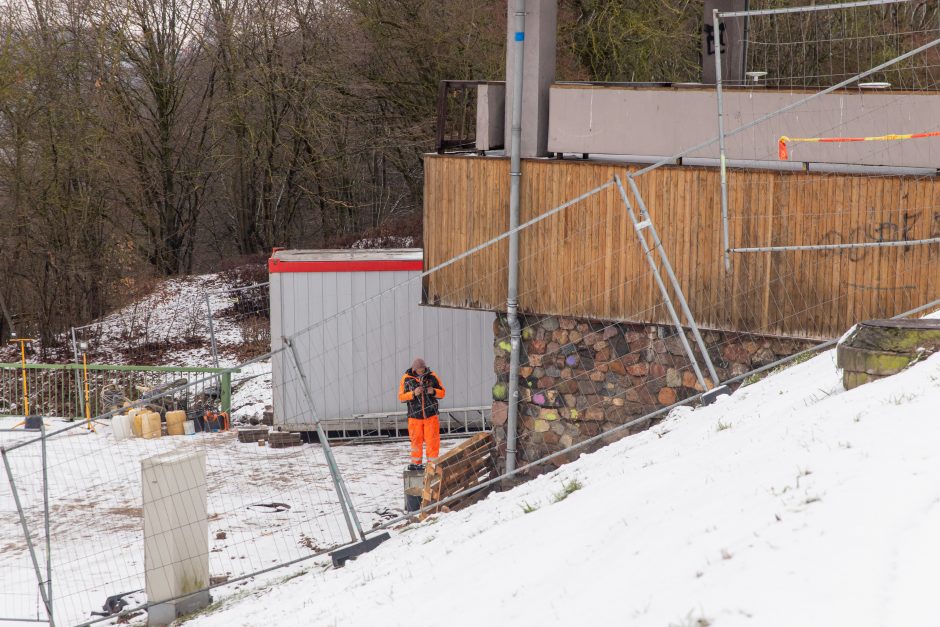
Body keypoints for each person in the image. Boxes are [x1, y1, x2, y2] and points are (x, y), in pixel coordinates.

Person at [398, 357, 446, 471]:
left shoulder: (432, 377)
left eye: (422, 369)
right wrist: (413, 393)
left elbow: (442, 393)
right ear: (414, 369)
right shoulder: (406, 379)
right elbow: (401, 397)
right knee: (416, 441)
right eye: (419, 370)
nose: (421, 371)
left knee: (432, 441)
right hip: (414, 417)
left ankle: (432, 464)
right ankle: (416, 464)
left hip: (431, 416)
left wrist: (433, 391)